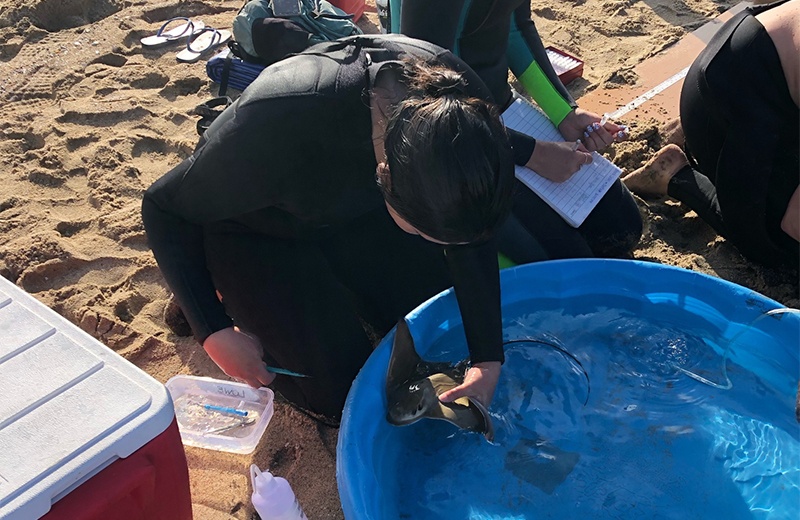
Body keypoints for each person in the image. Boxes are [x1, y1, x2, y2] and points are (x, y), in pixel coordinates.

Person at [142, 35, 640, 422]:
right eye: (430, 234)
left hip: (352, 214)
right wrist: (212, 330)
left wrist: (488, 360)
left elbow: (468, 234)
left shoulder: (453, 90)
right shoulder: (278, 121)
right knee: (340, 392)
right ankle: (213, 289)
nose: (444, 246)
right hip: (257, 228)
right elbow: (164, 207)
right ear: (385, 178)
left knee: (430, 344)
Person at [391, 0, 642, 261]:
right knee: (563, 262)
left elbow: (514, 27)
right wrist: (534, 153)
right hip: (443, 141)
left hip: (501, 112)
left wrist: (564, 113)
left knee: (622, 227)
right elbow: (424, 96)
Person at [622, 0, 799, 268]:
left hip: (758, 57)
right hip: (725, 93)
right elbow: (794, 223)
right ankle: (674, 173)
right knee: (781, 249)